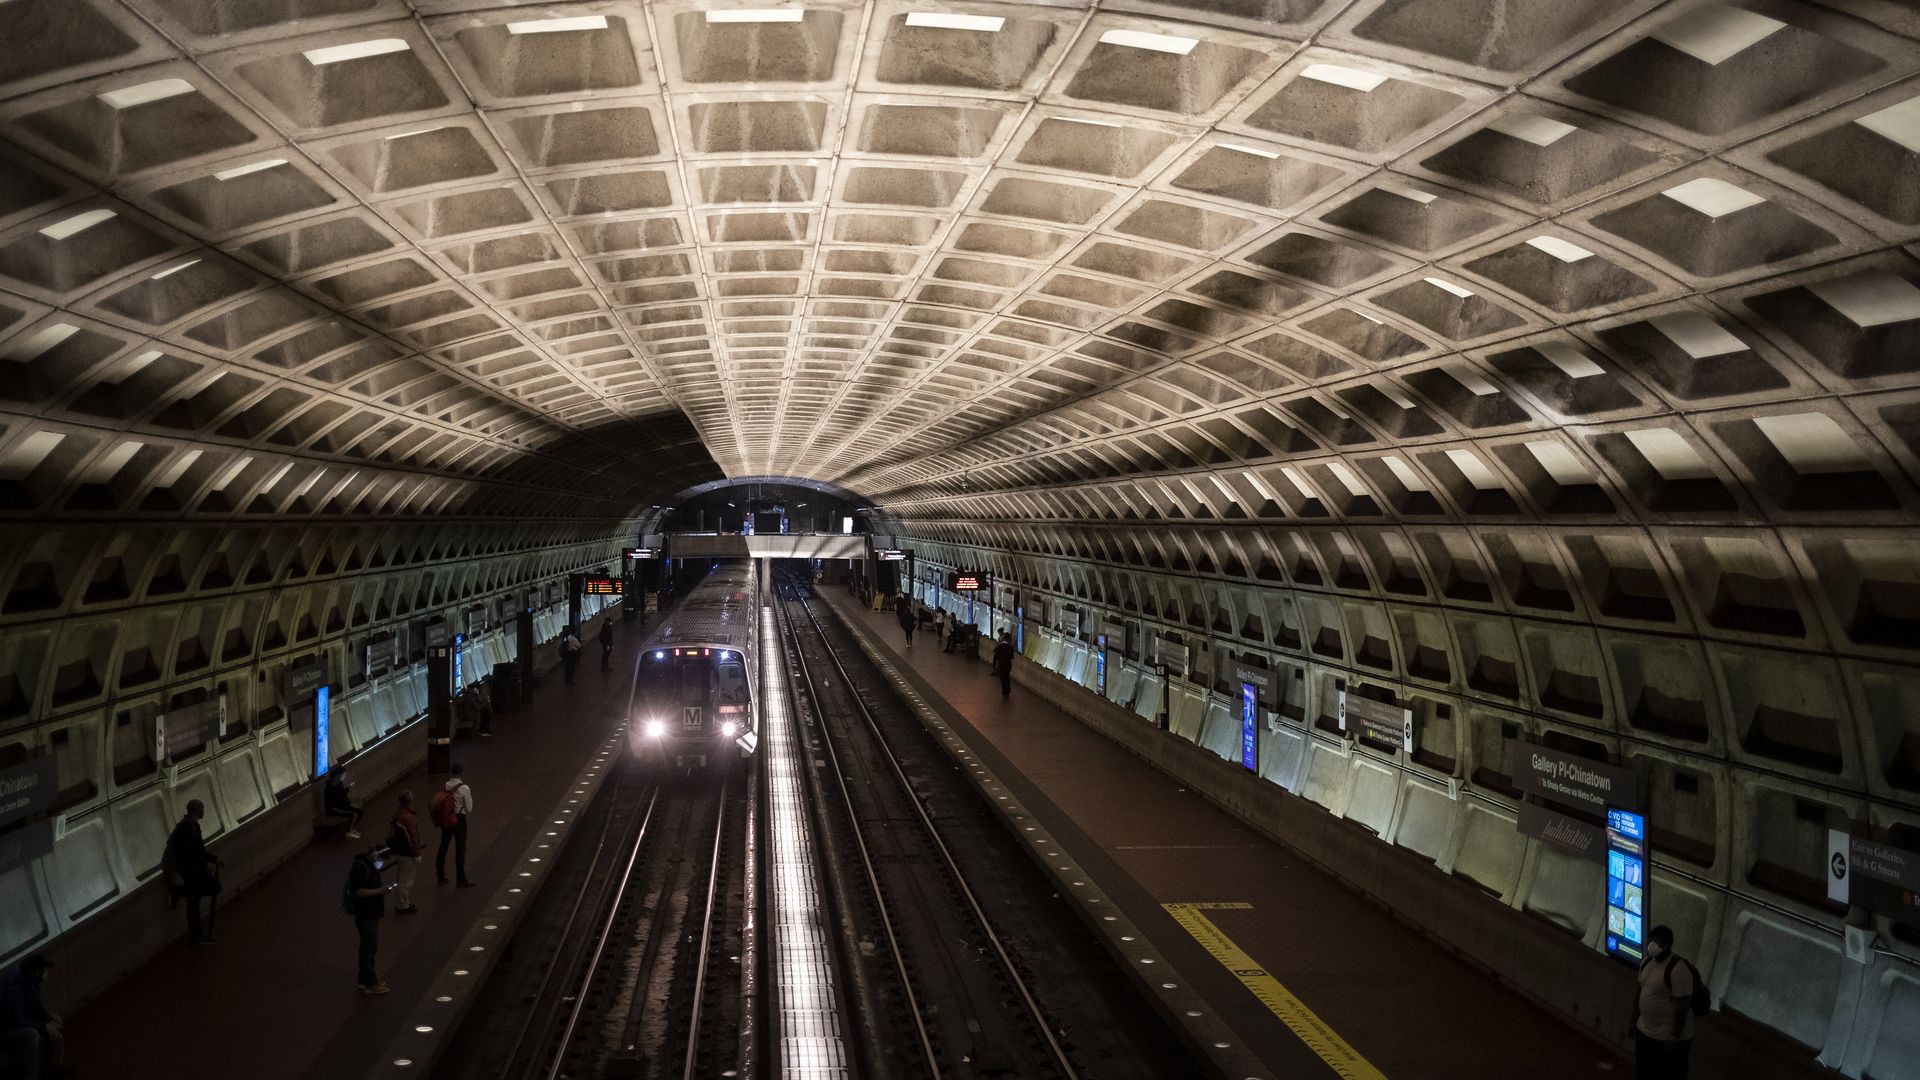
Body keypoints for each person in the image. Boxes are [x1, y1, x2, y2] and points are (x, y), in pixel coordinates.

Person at [1633, 925, 1697, 1079]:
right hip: (1646, 1031)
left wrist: (1674, 1037)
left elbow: (1683, 1006)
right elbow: (1639, 993)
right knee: (1644, 1071)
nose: (1652, 945)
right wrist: (1633, 1019)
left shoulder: (1678, 970)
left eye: (1658, 941)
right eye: (1651, 940)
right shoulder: (1647, 962)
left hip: (1665, 1037)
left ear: (1668, 944)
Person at [0, 954, 71, 1078]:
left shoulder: (31, 983)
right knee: (32, 1035)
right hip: (6, 1031)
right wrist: (43, 1026)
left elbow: (36, 1008)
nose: (45, 973)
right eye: (43, 970)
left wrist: (48, 1019)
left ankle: (54, 1065)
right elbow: (16, 1021)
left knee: (54, 1021)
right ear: (35, 972)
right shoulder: (14, 990)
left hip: (21, 1022)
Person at [164, 798, 222, 944]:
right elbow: (188, 853)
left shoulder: (192, 826)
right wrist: (204, 865)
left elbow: (199, 850)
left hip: (190, 868)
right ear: (197, 810)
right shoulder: (188, 828)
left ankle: (178, 892)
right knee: (205, 892)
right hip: (188, 869)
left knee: (196, 897)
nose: (203, 811)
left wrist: (214, 859)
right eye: (202, 808)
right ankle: (196, 935)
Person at [345, 847, 391, 994]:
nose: (379, 860)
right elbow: (359, 892)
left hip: (371, 914)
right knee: (369, 948)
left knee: (367, 947)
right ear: (370, 854)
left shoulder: (367, 864)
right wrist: (381, 891)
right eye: (377, 856)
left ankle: (363, 980)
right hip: (366, 915)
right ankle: (370, 982)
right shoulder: (360, 867)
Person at [433, 764, 475, 887]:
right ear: (461, 773)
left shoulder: (446, 786)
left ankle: (440, 876)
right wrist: (466, 816)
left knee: (443, 846)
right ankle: (461, 879)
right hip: (459, 819)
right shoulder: (464, 788)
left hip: (447, 818)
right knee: (460, 848)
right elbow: (469, 807)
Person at [386, 791, 422, 914]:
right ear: (409, 801)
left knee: (402, 878)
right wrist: (417, 853)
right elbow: (412, 837)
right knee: (405, 880)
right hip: (407, 853)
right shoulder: (407, 817)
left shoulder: (398, 815)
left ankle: (404, 902)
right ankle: (402, 905)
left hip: (400, 851)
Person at [324, 769, 363, 839]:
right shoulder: (329, 788)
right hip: (334, 809)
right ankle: (348, 832)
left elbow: (343, 796)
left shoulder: (339, 783)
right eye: (343, 775)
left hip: (341, 805)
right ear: (337, 776)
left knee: (359, 811)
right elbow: (330, 805)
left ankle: (351, 829)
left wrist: (350, 803)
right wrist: (342, 811)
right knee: (353, 814)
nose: (344, 777)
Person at [991, 631, 1015, 699]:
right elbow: (1012, 657)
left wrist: (994, 665)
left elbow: (995, 657)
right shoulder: (1010, 648)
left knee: (1002, 679)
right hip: (1007, 666)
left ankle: (1004, 692)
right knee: (1007, 678)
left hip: (1001, 665)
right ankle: (1008, 691)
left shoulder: (998, 646)